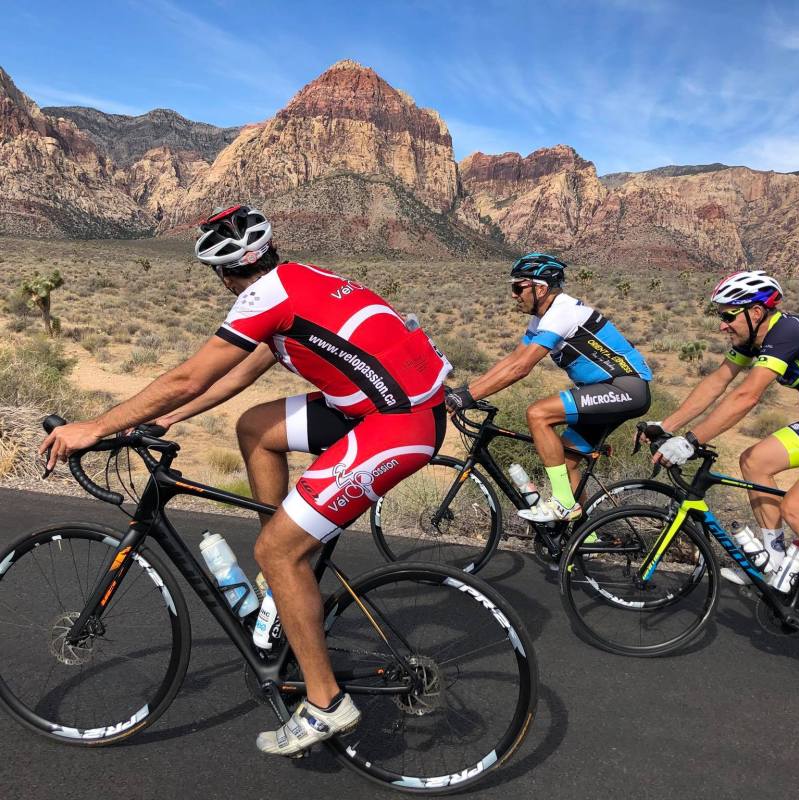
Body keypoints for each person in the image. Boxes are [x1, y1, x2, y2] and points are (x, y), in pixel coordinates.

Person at [39, 204, 450, 756]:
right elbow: (240, 373)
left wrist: (95, 427)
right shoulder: (297, 281)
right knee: (256, 428)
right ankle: (279, 573)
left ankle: (326, 702)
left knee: (279, 550)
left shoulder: (261, 299)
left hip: (397, 424)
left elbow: (189, 375)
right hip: (385, 406)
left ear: (224, 275)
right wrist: (168, 418)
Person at [446, 253, 652, 522]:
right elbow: (512, 359)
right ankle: (583, 539)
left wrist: (468, 397)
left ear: (540, 288)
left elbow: (522, 368)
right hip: (607, 390)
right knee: (566, 463)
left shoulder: (562, 313)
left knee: (539, 414)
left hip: (625, 388)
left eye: (518, 287)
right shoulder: (542, 318)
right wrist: (464, 391)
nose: (513, 295)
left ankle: (564, 504)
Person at [652, 270, 799, 583]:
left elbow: (747, 396)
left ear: (757, 312)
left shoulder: (786, 332)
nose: (722, 324)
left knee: (795, 508)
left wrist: (690, 441)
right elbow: (718, 382)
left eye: (729, 316)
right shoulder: (752, 338)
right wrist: (665, 425)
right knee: (754, 461)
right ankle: (774, 563)